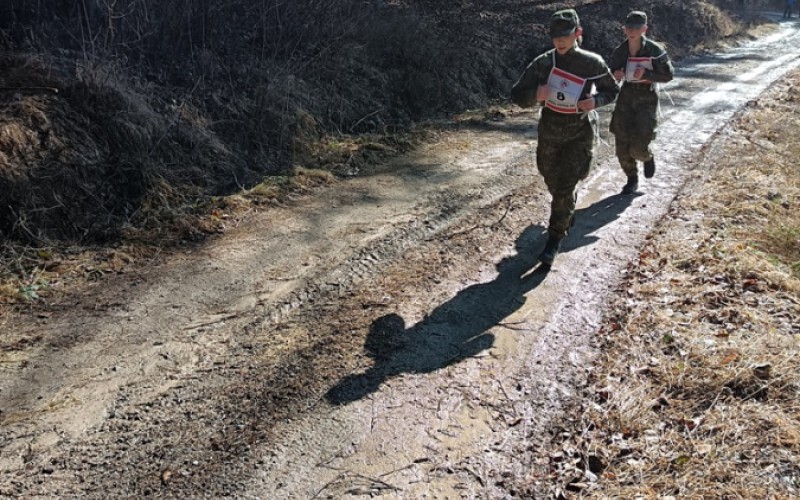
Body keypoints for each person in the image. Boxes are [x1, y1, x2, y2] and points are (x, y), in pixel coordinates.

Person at [511, 9, 619, 266]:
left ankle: (554, 240)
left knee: (564, 188)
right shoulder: (543, 63)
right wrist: (536, 94)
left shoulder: (591, 63)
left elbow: (612, 90)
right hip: (549, 134)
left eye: (565, 35)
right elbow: (517, 94)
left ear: (577, 33)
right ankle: (566, 210)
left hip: (578, 135)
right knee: (551, 179)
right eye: (555, 36)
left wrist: (595, 102)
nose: (560, 41)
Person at [608, 11, 675, 195]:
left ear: (645, 29)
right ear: (624, 29)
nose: (632, 31)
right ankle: (632, 179)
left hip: (647, 98)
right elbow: (612, 72)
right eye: (629, 28)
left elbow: (668, 75)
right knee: (622, 144)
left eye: (637, 28)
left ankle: (647, 157)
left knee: (639, 145)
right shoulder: (620, 51)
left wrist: (646, 75)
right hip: (626, 97)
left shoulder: (654, 50)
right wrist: (616, 75)